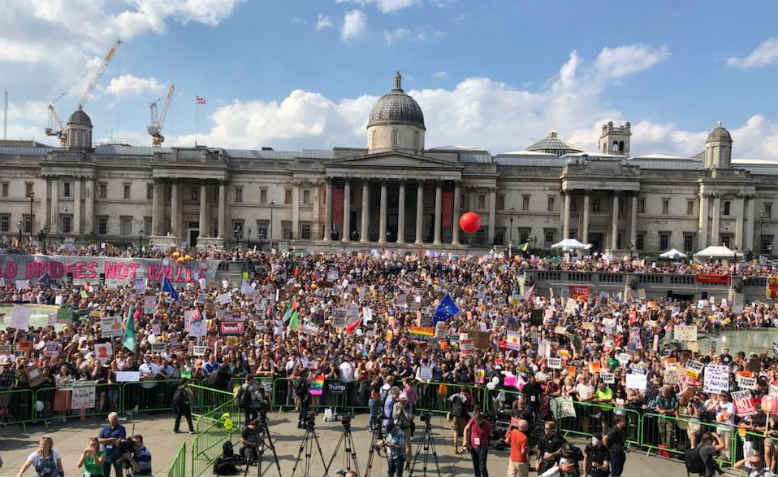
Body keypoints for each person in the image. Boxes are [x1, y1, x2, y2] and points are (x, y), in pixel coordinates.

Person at [464, 407, 492, 477]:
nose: (477, 422)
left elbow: (491, 435)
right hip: (473, 447)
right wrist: (465, 440)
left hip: (483, 447)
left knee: (482, 467)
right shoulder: (472, 420)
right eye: (476, 420)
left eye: (478, 420)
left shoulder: (487, 424)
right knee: (476, 466)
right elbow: (466, 428)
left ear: (482, 419)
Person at [98, 412, 126, 477]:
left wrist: (120, 441)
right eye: (113, 419)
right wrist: (111, 440)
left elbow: (122, 439)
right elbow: (99, 440)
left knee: (119, 473)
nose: (114, 420)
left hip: (117, 455)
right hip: (105, 454)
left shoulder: (121, 428)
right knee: (105, 473)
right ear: (109, 419)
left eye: (116, 419)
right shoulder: (104, 429)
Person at [393, 393, 414, 469]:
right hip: (398, 427)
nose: (403, 402)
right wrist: (399, 411)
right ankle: (398, 461)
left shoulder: (409, 405)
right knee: (397, 445)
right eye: (402, 401)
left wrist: (404, 410)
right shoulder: (396, 405)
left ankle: (408, 462)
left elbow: (410, 417)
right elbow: (394, 416)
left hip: (406, 428)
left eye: (404, 401)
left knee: (408, 446)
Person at [449, 389, 470, 454]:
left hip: (455, 415)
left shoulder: (455, 395)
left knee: (455, 431)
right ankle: (464, 446)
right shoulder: (464, 397)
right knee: (465, 430)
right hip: (462, 416)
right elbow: (467, 405)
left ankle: (455, 448)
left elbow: (449, 401)